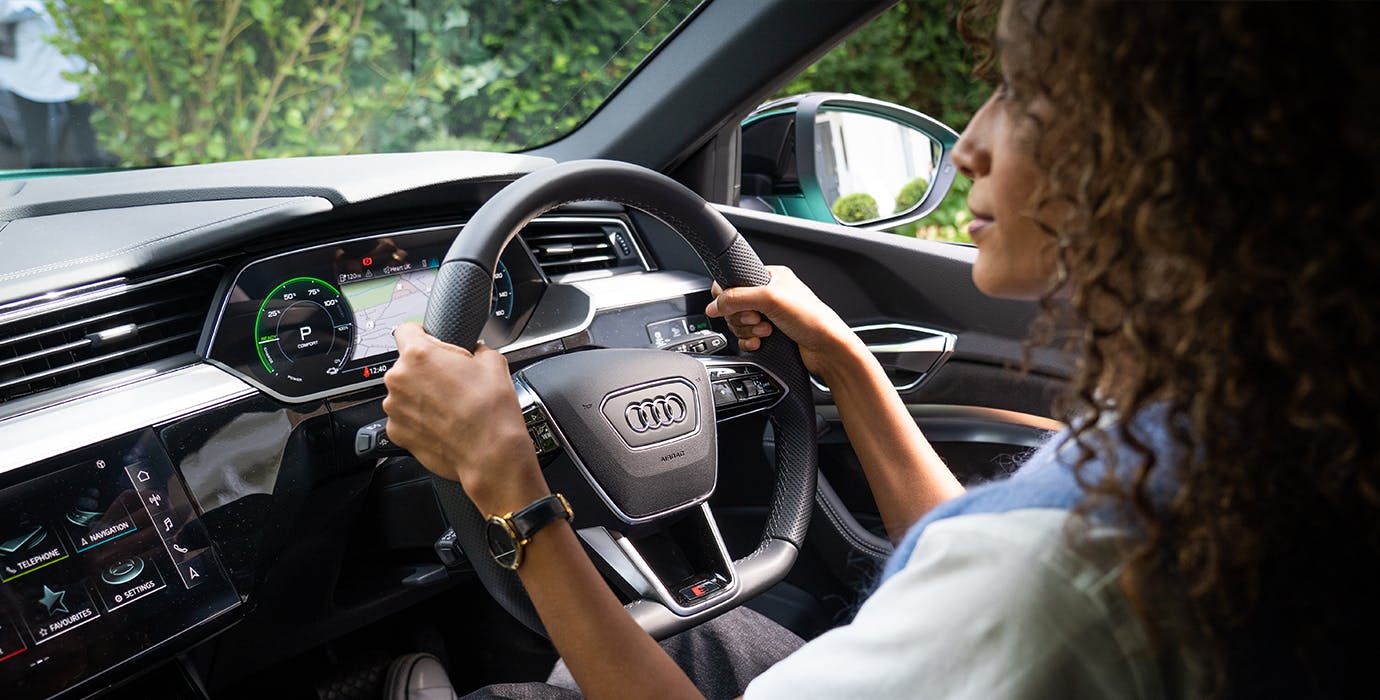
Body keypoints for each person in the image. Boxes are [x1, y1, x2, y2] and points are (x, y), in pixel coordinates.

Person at [381, 1, 1379, 697]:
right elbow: (985, 544)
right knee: (715, 630)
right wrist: (851, 367)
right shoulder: (1259, 438)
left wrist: (512, 491)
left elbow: (1022, 579)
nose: (967, 145)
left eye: (1023, 95)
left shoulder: (1054, 587)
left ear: (1165, 153)